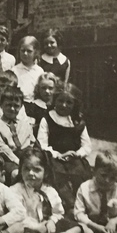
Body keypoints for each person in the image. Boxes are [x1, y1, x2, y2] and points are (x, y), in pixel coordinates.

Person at [11, 147, 82, 233]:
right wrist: (37, 227)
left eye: (37, 170)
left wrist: (52, 222)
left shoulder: (49, 190)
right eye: (26, 169)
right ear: (20, 170)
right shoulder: (15, 191)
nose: (31, 173)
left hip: (48, 226)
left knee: (76, 228)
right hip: (29, 228)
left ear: (45, 172)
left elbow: (58, 212)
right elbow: (17, 216)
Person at [37, 82, 92, 214]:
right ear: (54, 100)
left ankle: (83, 203)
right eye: (60, 100)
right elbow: (42, 143)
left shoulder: (77, 121)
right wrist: (56, 154)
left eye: (69, 102)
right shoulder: (48, 118)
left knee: (80, 175)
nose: (64, 105)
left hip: (73, 157)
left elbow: (87, 145)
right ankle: (68, 205)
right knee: (58, 177)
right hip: (53, 157)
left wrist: (77, 154)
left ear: (75, 105)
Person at [75, 150, 117, 233]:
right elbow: (79, 214)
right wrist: (95, 226)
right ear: (94, 171)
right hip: (92, 225)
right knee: (79, 226)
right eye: (103, 175)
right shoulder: (84, 188)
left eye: (113, 178)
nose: (107, 180)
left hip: (114, 226)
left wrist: (114, 221)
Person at [0, 86, 36, 185]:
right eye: (8, 105)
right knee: (16, 173)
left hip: (25, 157)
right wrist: (18, 161)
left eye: (16, 105)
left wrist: (27, 159)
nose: (12, 109)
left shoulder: (25, 124)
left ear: (21, 106)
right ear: (1, 105)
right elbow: (1, 148)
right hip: (8, 160)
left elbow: (31, 142)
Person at [24, 72, 59, 137]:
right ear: (38, 89)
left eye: (50, 88)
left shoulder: (58, 107)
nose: (47, 91)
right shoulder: (32, 107)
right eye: (43, 88)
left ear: (55, 89)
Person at [12, 36, 44, 103]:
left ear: (35, 52)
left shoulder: (39, 71)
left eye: (29, 51)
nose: (25, 54)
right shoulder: (14, 70)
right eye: (23, 51)